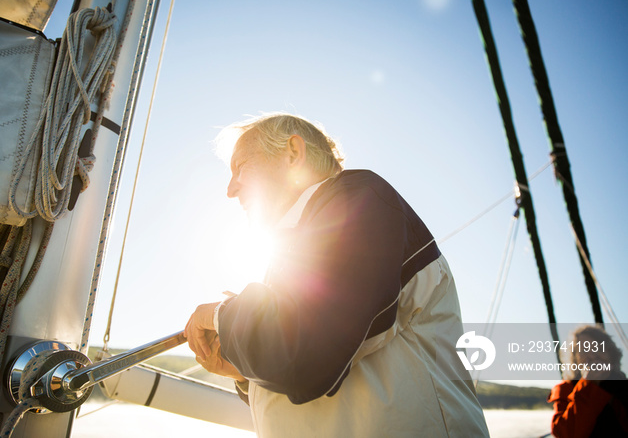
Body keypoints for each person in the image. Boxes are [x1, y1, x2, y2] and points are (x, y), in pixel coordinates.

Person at [184, 113, 489, 437]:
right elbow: (301, 365)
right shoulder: (295, 251)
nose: (231, 189)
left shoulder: (358, 200)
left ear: (293, 153)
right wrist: (244, 369)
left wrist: (222, 317)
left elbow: (303, 353)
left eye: (241, 167)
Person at [548, 325, 628, 437]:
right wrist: (589, 385)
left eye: (598, 347)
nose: (592, 355)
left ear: (611, 353)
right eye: (584, 349)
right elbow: (566, 434)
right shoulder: (565, 390)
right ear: (575, 358)